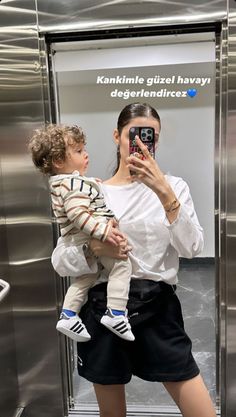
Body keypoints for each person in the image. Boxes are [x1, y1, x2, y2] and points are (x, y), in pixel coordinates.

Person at [52, 103, 217, 417]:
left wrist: (165, 194)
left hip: (158, 309)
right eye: (134, 135)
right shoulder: (91, 191)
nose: (141, 144)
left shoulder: (174, 187)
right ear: (117, 136)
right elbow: (60, 261)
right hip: (103, 309)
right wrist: (94, 251)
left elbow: (193, 247)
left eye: (150, 136)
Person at [28, 124, 135, 343]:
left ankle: (68, 315)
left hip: (81, 238)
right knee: (122, 266)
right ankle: (115, 313)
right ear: (58, 161)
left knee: (87, 276)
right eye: (78, 151)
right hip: (85, 237)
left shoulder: (66, 183)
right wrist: (103, 231)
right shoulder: (72, 184)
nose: (85, 154)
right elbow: (79, 214)